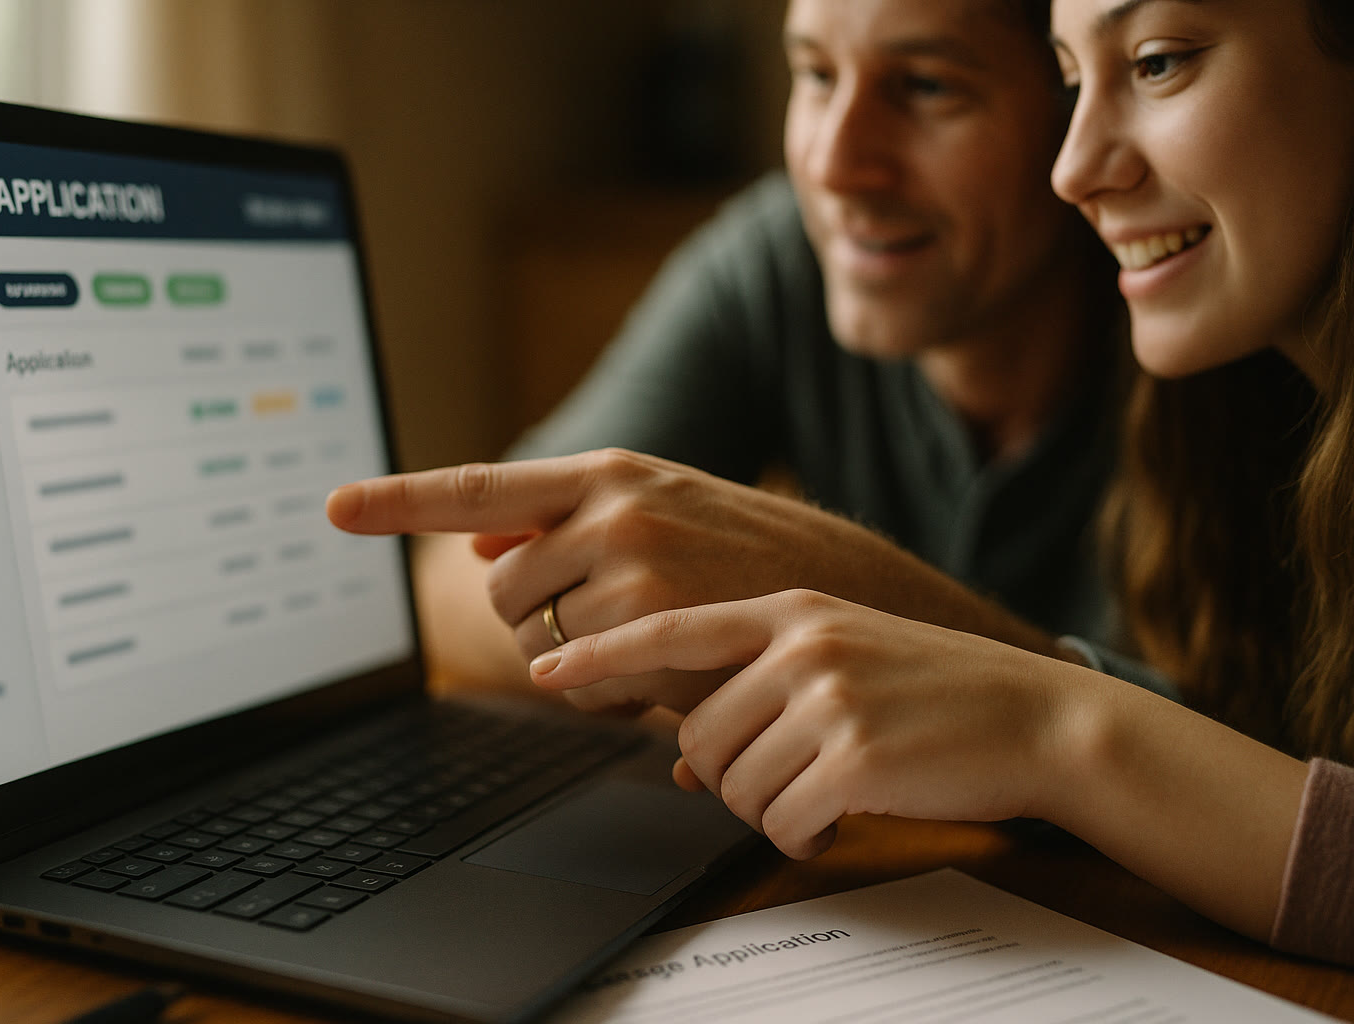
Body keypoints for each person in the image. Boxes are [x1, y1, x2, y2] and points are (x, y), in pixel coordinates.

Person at [502, 0, 1354, 965]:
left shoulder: (1213, 321)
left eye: (1157, 63)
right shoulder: (1213, 344)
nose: (834, 163)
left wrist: (1035, 712)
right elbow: (475, 559)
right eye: (814, 74)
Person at [370, 0, 1173, 714]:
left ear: (1078, 106)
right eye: (816, 74)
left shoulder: (1199, 306)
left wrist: (853, 604)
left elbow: (1281, 781)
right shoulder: (783, 255)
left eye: (927, 86)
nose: (833, 163)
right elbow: (452, 589)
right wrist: (669, 627)